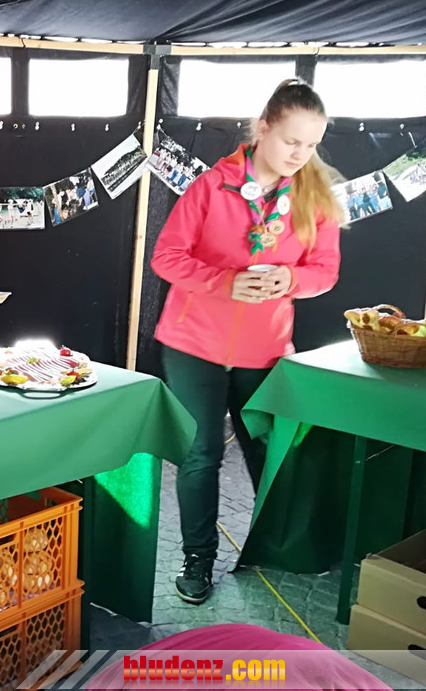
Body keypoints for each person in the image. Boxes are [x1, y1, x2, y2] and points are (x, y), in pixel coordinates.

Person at [151, 79, 343, 605]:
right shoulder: (210, 187)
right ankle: (197, 558)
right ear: (262, 129)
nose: (300, 155)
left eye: (311, 145)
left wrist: (291, 280)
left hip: (265, 348)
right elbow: (166, 257)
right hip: (193, 343)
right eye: (291, 141)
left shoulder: (315, 196)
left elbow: (325, 271)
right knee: (201, 454)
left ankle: (275, 547)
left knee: (265, 449)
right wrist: (223, 282)